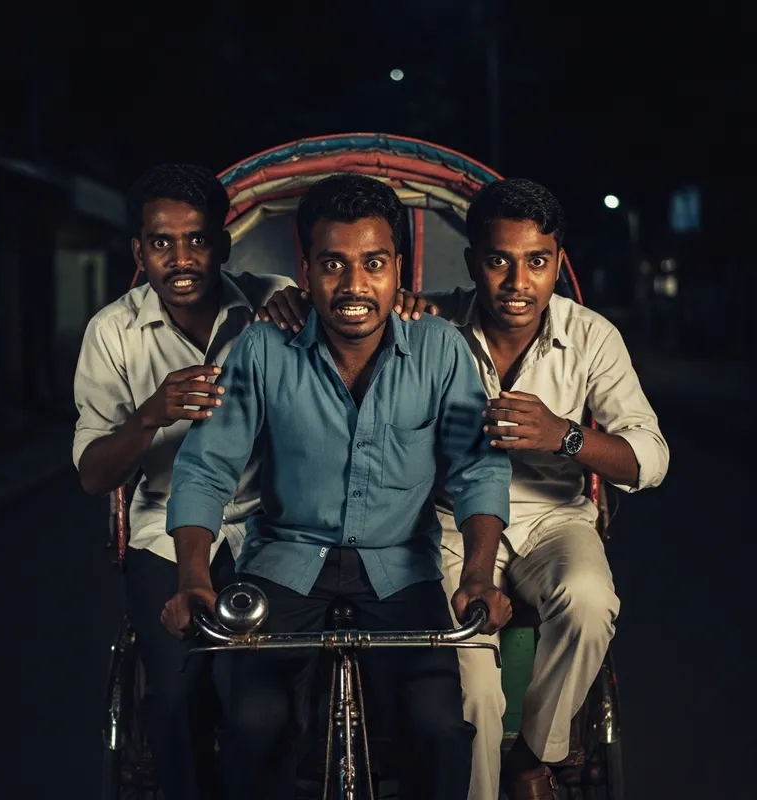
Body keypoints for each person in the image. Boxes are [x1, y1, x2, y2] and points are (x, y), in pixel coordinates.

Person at [258, 177, 670, 800]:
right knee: (469, 684)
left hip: (555, 519)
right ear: (474, 261)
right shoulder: (428, 321)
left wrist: (564, 436)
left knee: (589, 600)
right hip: (453, 524)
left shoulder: (591, 337)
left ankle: (533, 756)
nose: (518, 282)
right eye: (499, 261)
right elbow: (351, 302)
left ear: (558, 263)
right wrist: (292, 300)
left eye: (537, 262)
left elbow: (650, 460)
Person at [161, 173, 513, 800]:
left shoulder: (442, 350)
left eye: (374, 263)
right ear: (305, 269)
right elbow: (205, 467)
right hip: (284, 564)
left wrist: (479, 575)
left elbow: (478, 467)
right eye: (333, 265)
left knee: (438, 728)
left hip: (402, 571)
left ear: (399, 267)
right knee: (252, 724)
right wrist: (193, 576)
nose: (354, 286)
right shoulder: (262, 350)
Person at [72, 163, 297, 800]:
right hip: (163, 532)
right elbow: (93, 475)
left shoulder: (271, 299)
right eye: (162, 243)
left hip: (268, 526)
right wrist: (150, 415)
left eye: (197, 240)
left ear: (223, 243)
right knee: (175, 701)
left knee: (268, 701)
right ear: (138, 251)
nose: (181, 258)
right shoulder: (112, 332)